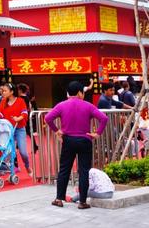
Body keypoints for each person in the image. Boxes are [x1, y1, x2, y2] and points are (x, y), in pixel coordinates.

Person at [45, 81, 108, 209]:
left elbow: (48, 118)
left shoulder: (62, 105)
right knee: (84, 171)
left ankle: (59, 199)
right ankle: (82, 202)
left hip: (68, 140)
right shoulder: (88, 105)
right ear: (80, 93)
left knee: (64, 169)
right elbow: (104, 118)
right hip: (85, 140)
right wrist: (97, 133)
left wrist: (57, 131)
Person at [0, 83, 31, 175]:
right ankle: (11, 169)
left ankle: (27, 166)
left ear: (11, 92)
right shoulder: (3, 101)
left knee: (23, 152)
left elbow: (25, 113)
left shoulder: (20, 101)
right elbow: (0, 112)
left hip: (19, 129)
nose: (3, 92)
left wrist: (18, 118)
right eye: (2, 91)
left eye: (5, 91)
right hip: (7, 130)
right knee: (8, 151)